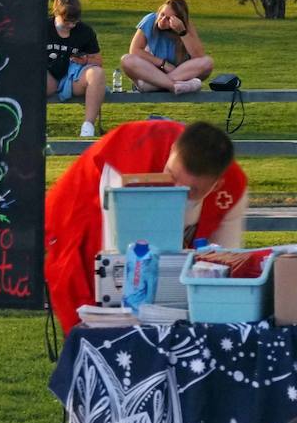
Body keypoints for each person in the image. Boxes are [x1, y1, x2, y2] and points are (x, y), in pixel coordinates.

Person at [44, 119, 249, 333]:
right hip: (86, 209)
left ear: (217, 185)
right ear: (171, 152)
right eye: (173, 176)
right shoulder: (131, 153)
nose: (178, 191)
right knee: (96, 303)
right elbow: (115, 253)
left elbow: (225, 266)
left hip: (168, 225)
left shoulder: (233, 189)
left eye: (192, 191)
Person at [120, 0, 214, 95]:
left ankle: (153, 86)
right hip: (152, 71)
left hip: (180, 73)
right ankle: (174, 85)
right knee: (127, 60)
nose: (162, 20)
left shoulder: (185, 26)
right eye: (162, 14)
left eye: (169, 18)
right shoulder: (150, 19)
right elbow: (135, 50)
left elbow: (198, 57)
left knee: (207, 62)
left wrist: (182, 32)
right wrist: (163, 64)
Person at [45, 0, 106, 138]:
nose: (71, 26)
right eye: (67, 22)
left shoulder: (85, 31)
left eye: (74, 22)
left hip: (73, 78)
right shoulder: (43, 28)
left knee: (97, 74)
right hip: (48, 76)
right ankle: (31, 125)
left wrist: (85, 59)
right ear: (57, 14)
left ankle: (88, 127)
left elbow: (98, 60)